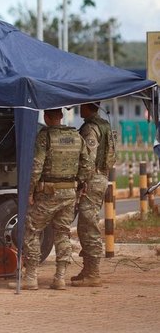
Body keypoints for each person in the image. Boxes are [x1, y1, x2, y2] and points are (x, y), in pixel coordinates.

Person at [11, 108, 92, 291]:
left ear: (47, 117)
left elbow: (37, 167)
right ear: (61, 116)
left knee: (32, 230)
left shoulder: (44, 137)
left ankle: (31, 277)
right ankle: (60, 278)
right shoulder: (76, 137)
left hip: (47, 193)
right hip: (69, 193)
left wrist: (29, 192)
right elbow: (87, 166)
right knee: (62, 233)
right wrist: (78, 183)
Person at [71, 102, 116, 287]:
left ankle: (93, 273)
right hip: (101, 176)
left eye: (82, 106)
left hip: (93, 179)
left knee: (88, 225)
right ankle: (88, 269)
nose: (79, 109)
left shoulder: (90, 128)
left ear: (88, 107)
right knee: (86, 224)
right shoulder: (104, 124)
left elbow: (88, 159)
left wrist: (81, 181)